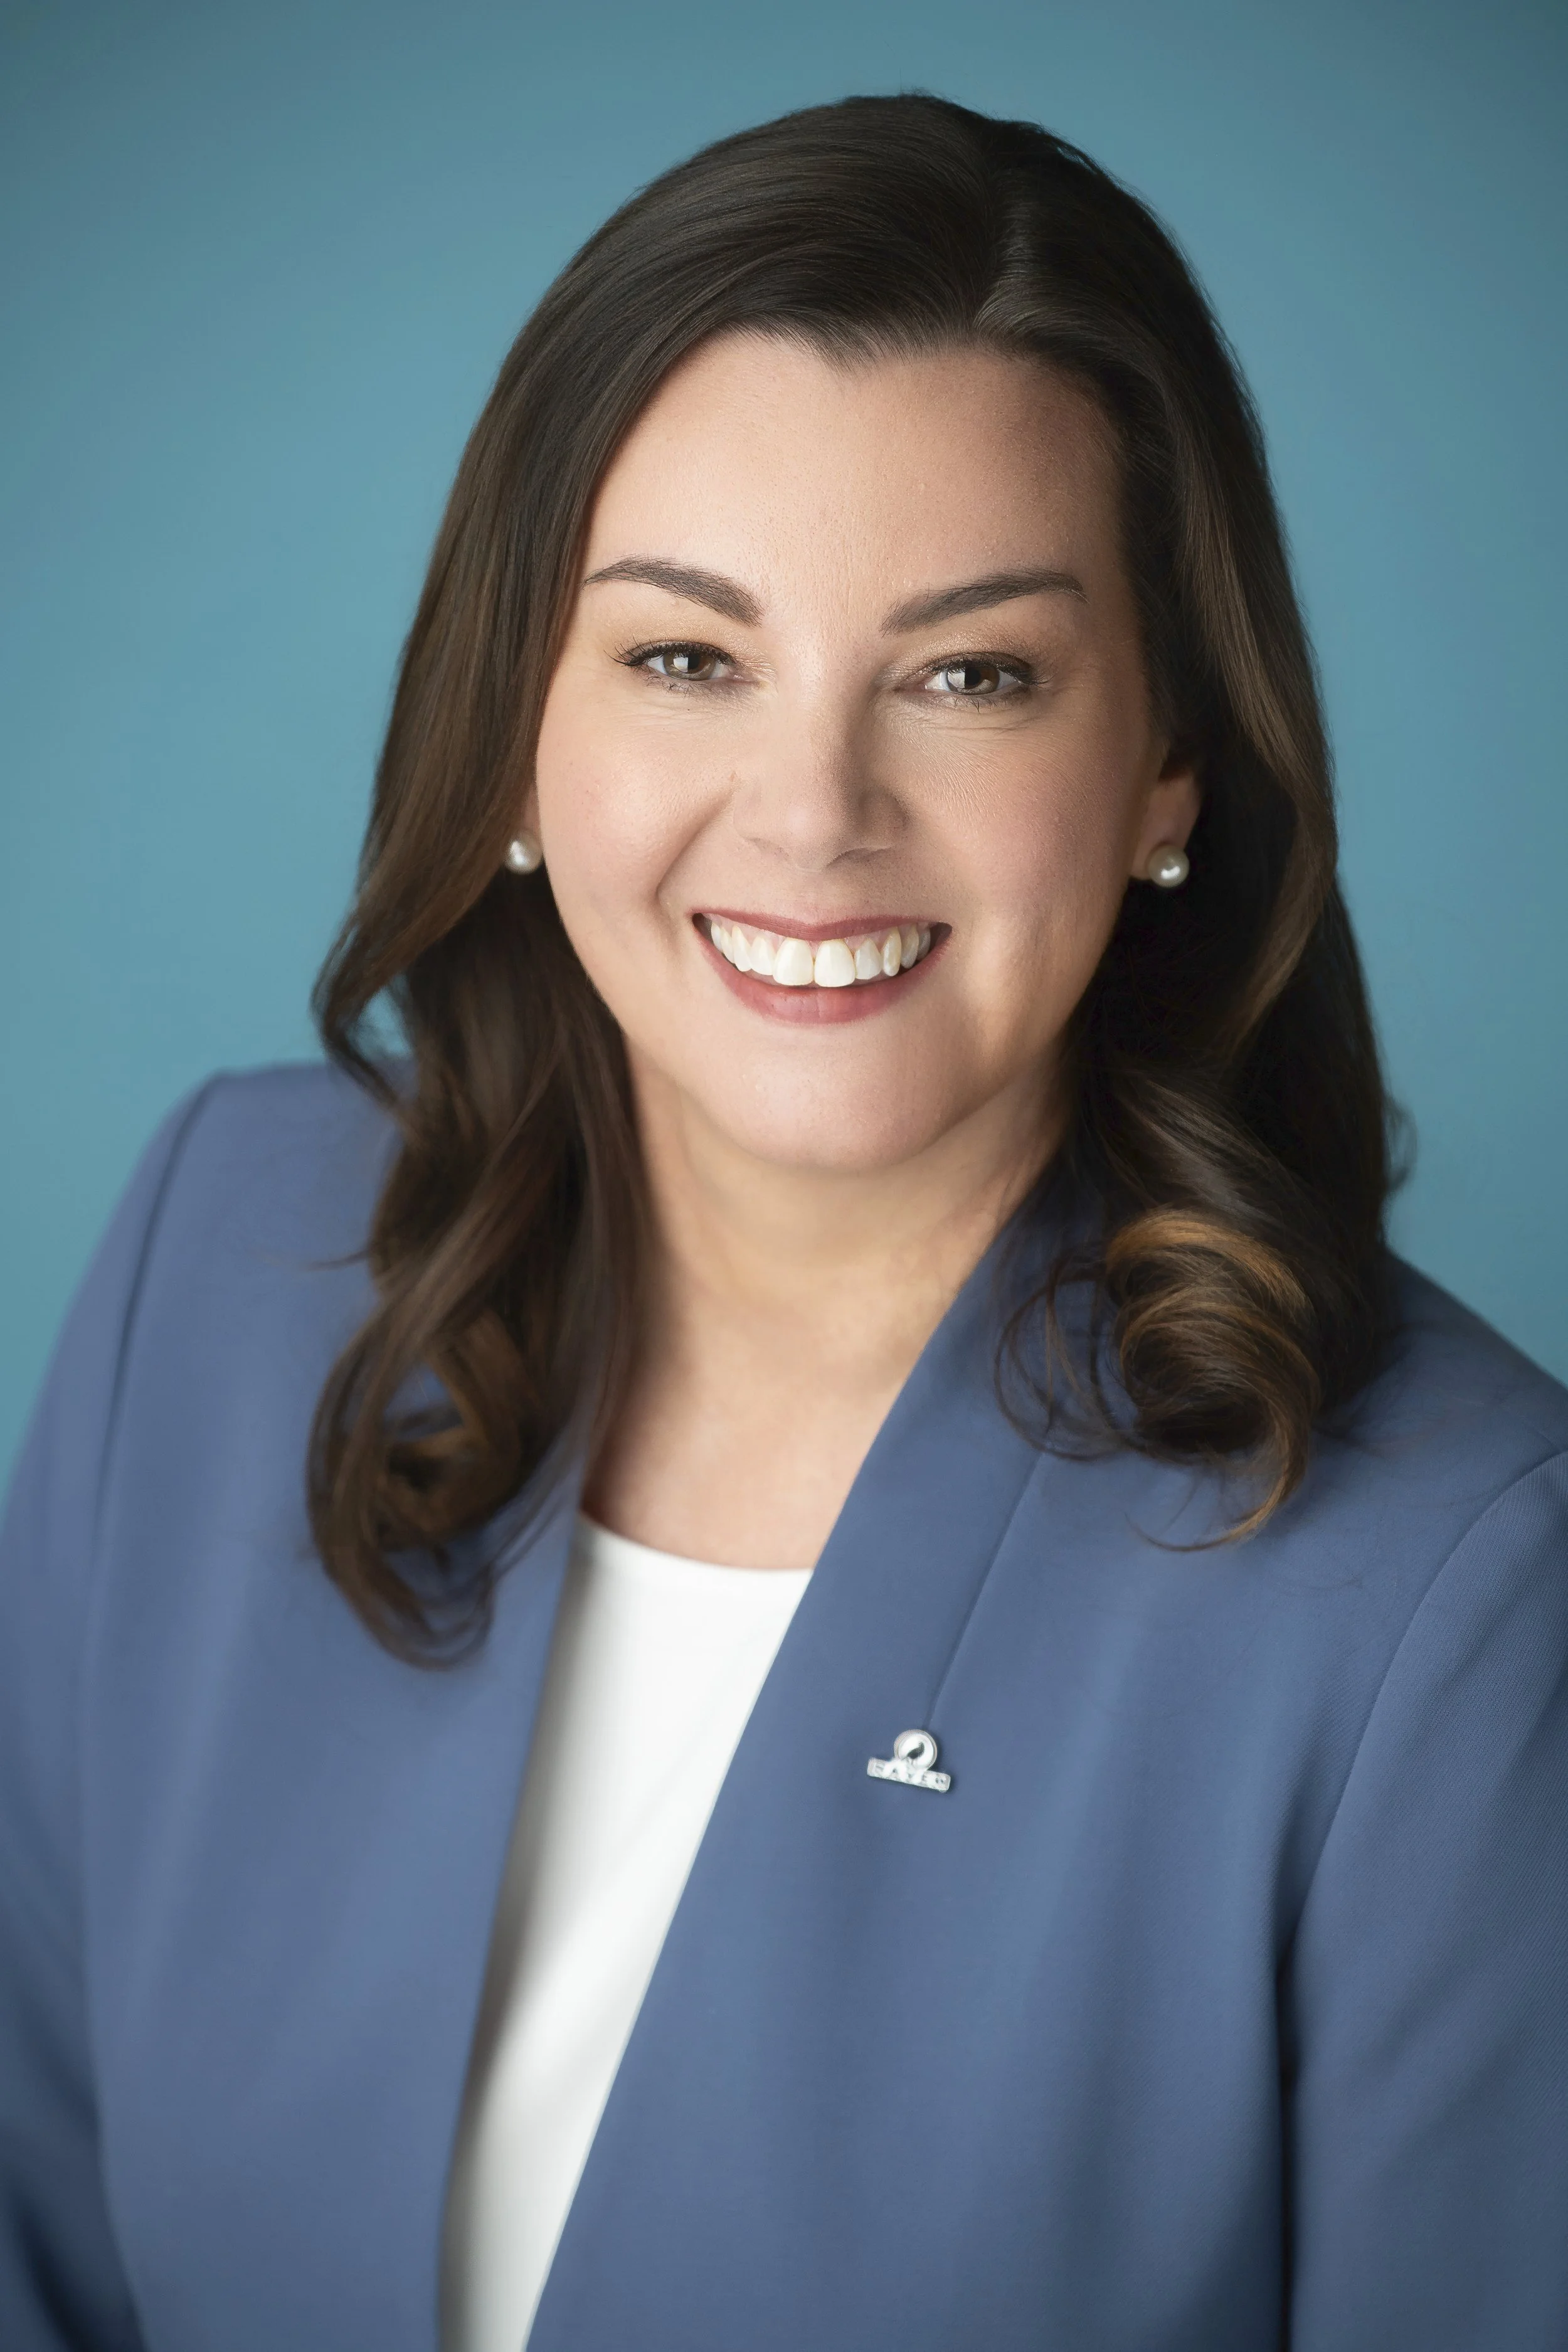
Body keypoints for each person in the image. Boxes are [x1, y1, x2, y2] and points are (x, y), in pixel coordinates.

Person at [2, 91, 1564, 2352]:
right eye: (682, 656)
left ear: (1163, 773)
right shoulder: (217, 1268)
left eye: (968, 673)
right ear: (518, 727)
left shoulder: (1458, 1598)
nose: (813, 816)